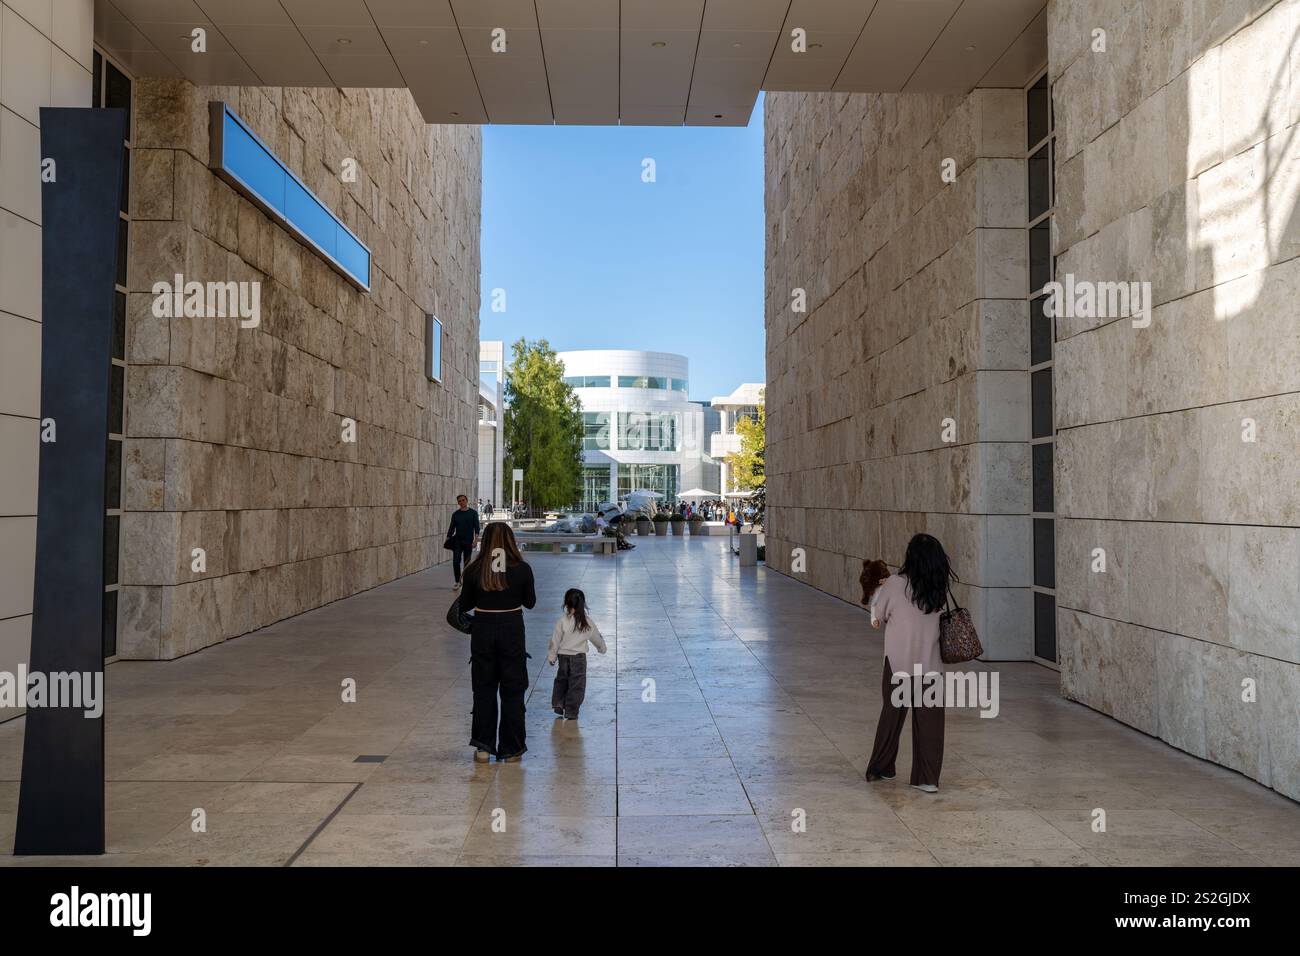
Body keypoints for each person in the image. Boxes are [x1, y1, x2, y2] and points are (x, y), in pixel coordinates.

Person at [864, 533, 954, 792]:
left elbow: (876, 616)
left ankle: (882, 768)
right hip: (930, 665)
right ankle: (927, 779)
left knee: (892, 717)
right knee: (931, 724)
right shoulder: (939, 586)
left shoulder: (893, 584)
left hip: (898, 663)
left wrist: (878, 591)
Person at [461, 522, 537, 763]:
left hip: (483, 628)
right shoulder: (522, 569)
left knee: (483, 689)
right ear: (510, 541)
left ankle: (483, 747)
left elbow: (464, 605)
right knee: (513, 691)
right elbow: (530, 602)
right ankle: (512, 749)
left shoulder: (474, 570)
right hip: (512, 629)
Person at [547, 588, 607, 720]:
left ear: (566, 604)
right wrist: (602, 648)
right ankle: (571, 711)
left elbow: (554, 641)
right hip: (579, 658)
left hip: (563, 657)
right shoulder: (587, 622)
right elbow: (597, 637)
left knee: (561, 680)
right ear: (583, 604)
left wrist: (552, 657)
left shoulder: (562, 621)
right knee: (577, 684)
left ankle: (558, 703)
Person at [447, 494, 480, 590]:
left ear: (467, 500)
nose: (462, 502)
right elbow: (451, 528)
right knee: (456, 562)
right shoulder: (456, 514)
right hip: (457, 542)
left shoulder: (473, 513)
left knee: (467, 562)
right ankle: (457, 581)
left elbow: (477, 528)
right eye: (460, 501)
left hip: (468, 542)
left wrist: (475, 540)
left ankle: (466, 582)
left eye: (463, 500)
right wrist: (448, 538)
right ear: (458, 503)